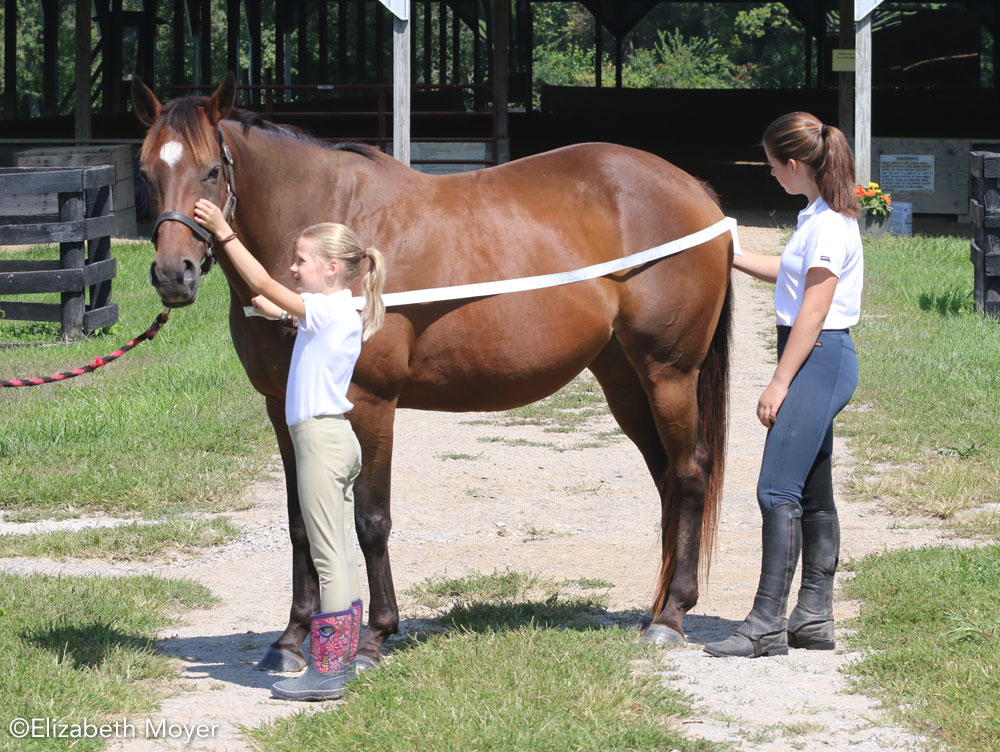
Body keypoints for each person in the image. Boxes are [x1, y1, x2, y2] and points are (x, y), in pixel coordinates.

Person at [194, 199, 386, 697]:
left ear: (331, 269)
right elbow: (277, 305)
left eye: (301, 261)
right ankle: (340, 659)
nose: (293, 267)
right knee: (340, 554)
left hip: (320, 443)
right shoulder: (340, 309)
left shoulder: (324, 309)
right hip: (336, 439)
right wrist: (270, 309)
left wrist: (223, 232)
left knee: (327, 557)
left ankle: (329, 670)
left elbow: (261, 283)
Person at [704, 112, 863, 658]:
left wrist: (778, 382)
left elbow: (814, 311)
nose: (770, 174)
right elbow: (794, 275)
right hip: (817, 355)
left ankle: (766, 622)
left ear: (795, 164)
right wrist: (735, 257)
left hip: (817, 354)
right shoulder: (817, 216)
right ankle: (813, 616)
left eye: (773, 165)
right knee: (814, 492)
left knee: (776, 489)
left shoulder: (826, 226)